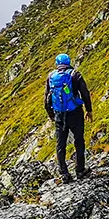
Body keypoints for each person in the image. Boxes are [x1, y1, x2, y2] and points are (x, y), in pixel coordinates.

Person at [45, 53, 93, 182]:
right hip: (75, 112)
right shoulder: (75, 74)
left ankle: (64, 173)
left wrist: (52, 115)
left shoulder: (51, 76)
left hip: (59, 114)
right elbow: (85, 93)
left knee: (61, 144)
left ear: (57, 63)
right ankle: (80, 170)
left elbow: (46, 99)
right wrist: (89, 110)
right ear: (69, 62)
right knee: (79, 141)